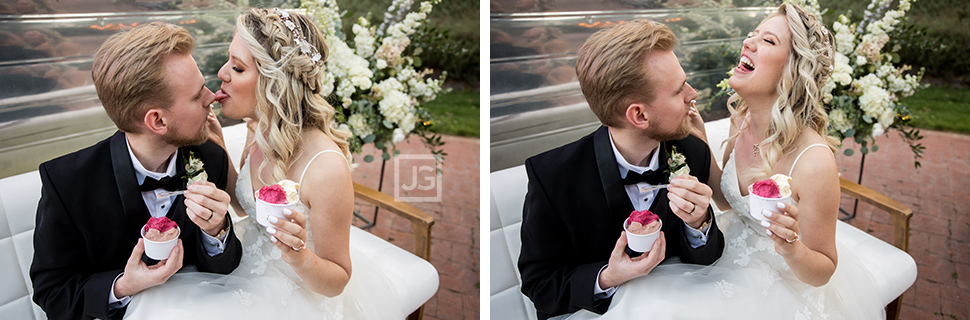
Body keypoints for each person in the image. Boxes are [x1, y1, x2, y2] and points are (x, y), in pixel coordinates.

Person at [580, 4, 885, 319]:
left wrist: (791, 247)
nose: (748, 42)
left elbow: (823, 270)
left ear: (793, 70)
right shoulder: (741, 117)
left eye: (768, 41)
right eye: (753, 34)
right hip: (728, 248)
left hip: (783, 279)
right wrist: (702, 145)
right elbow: (729, 201)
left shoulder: (814, 161)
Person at [123, 8, 402, 319]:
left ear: (275, 82)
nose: (222, 74)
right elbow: (246, 207)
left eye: (238, 68)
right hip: (244, 260)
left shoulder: (325, 168)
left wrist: (298, 256)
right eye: (229, 60)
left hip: (296, 288)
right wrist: (221, 149)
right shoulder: (258, 128)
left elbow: (337, 280)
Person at [29, 22, 243, 320]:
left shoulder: (211, 158)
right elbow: (51, 292)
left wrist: (215, 232)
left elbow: (224, 271)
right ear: (157, 121)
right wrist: (123, 286)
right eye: (196, 96)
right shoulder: (67, 183)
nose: (211, 97)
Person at [518, 19, 726, 319]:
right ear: (639, 114)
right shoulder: (552, 176)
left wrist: (699, 224)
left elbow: (706, 260)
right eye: (679, 90)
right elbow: (540, 286)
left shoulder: (693, 152)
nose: (692, 94)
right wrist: (608, 277)